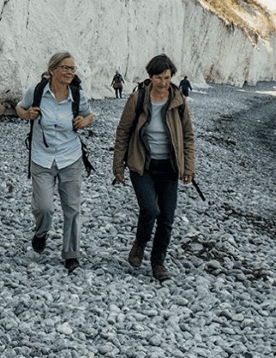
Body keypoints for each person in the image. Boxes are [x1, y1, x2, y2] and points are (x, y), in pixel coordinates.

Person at [112, 54, 195, 282]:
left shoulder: (178, 101)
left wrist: (189, 166)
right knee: (151, 209)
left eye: (167, 77)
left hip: (169, 167)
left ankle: (158, 263)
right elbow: (123, 132)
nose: (163, 83)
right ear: (151, 77)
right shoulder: (138, 99)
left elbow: (188, 135)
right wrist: (118, 164)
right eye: (158, 78)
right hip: (143, 165)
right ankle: (139, 244)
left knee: (167, 218)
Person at [16, 52, 95, 273]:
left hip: (71, 157)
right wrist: (27, 114)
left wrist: (83, 121)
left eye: (72, 68)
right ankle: (41, 232)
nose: (70, 72)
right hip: (41, 157)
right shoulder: (37, 91)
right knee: (44, 207)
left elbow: (90, 115)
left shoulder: (78, 95)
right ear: (53, 70)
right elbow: (19, 108)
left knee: (72, 208)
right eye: (65, 68)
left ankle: (71, 254)